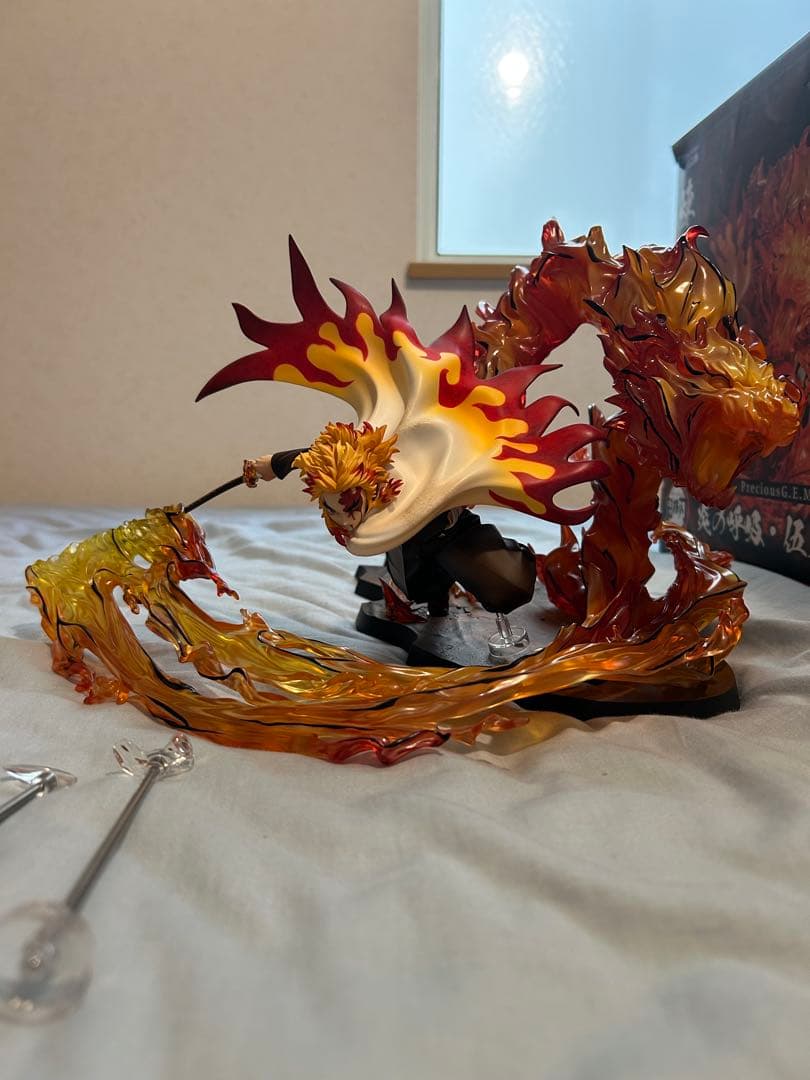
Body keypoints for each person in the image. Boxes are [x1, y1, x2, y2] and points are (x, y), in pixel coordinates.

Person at [245, 421, 536, 619]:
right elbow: (320, 456)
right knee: (416, 587)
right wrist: (272, 464)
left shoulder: (400, 474)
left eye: (352, 507)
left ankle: (514, 559)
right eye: (334, 511)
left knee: (506, 588)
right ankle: (427, 600)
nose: (347, 521)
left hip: (449, 532)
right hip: (408, 545)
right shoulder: (350, 476)